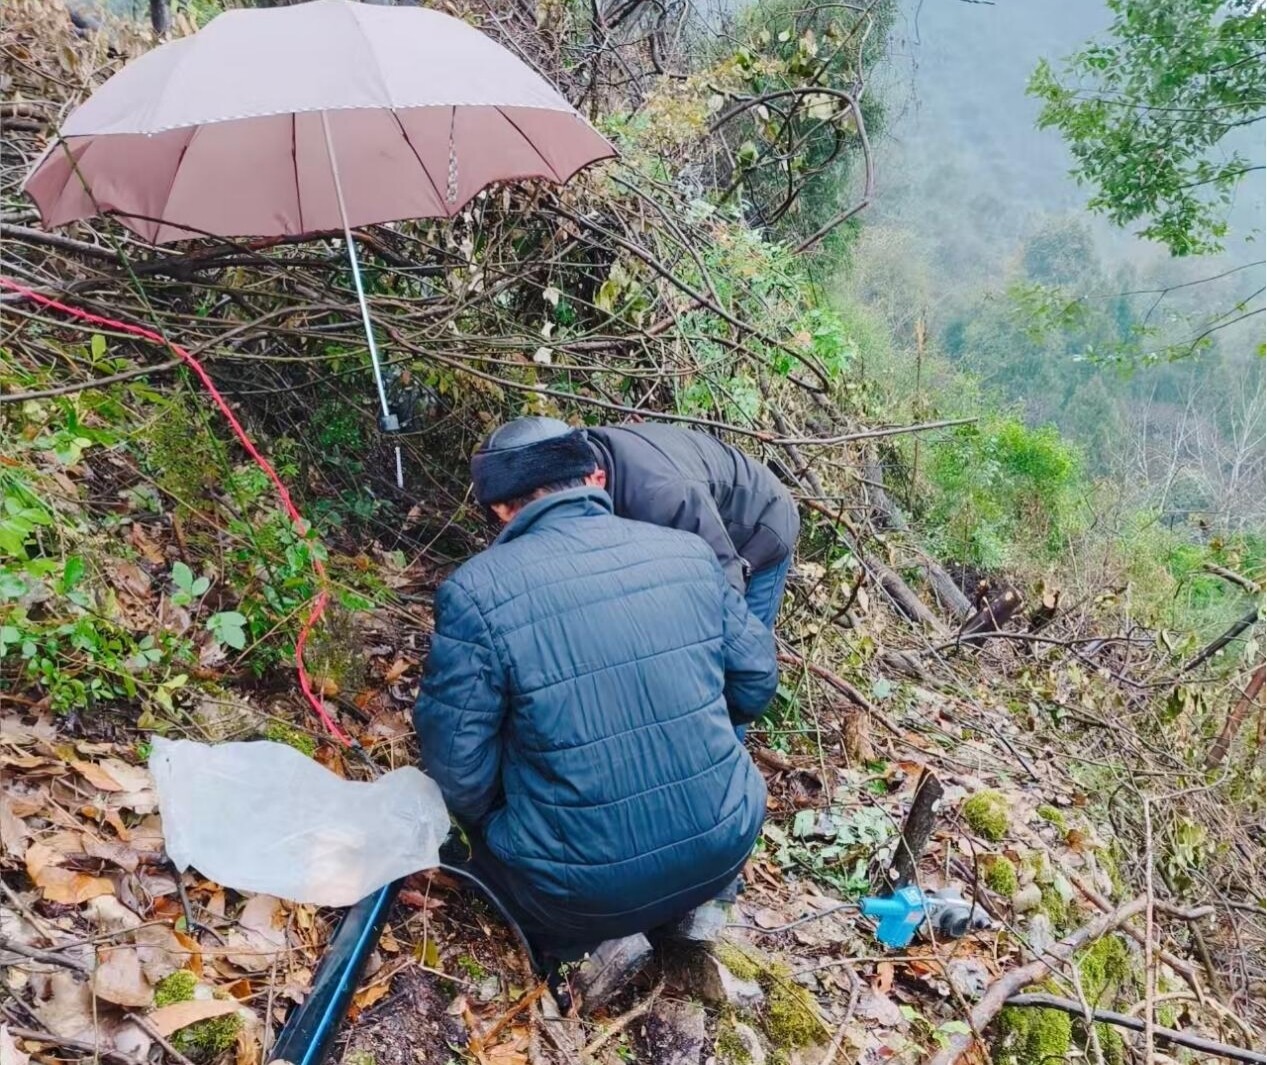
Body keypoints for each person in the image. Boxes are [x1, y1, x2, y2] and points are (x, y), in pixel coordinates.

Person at [414, 418, 778, 1010]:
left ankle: (590, 943)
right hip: (724, 847)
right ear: (594, 477)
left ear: (502, 509)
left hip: (576, 893)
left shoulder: (474, 591)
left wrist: (507, 819)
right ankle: (683, 918)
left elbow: (457, 771)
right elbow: (757, 684)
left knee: (469, 848)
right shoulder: (688, 552)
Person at [585, 422, 800, 633]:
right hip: (700, 500)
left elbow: (725, 571)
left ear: (597, 479)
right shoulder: (576, 454)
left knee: (744, 639)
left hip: (764, 522)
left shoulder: (665, 495)